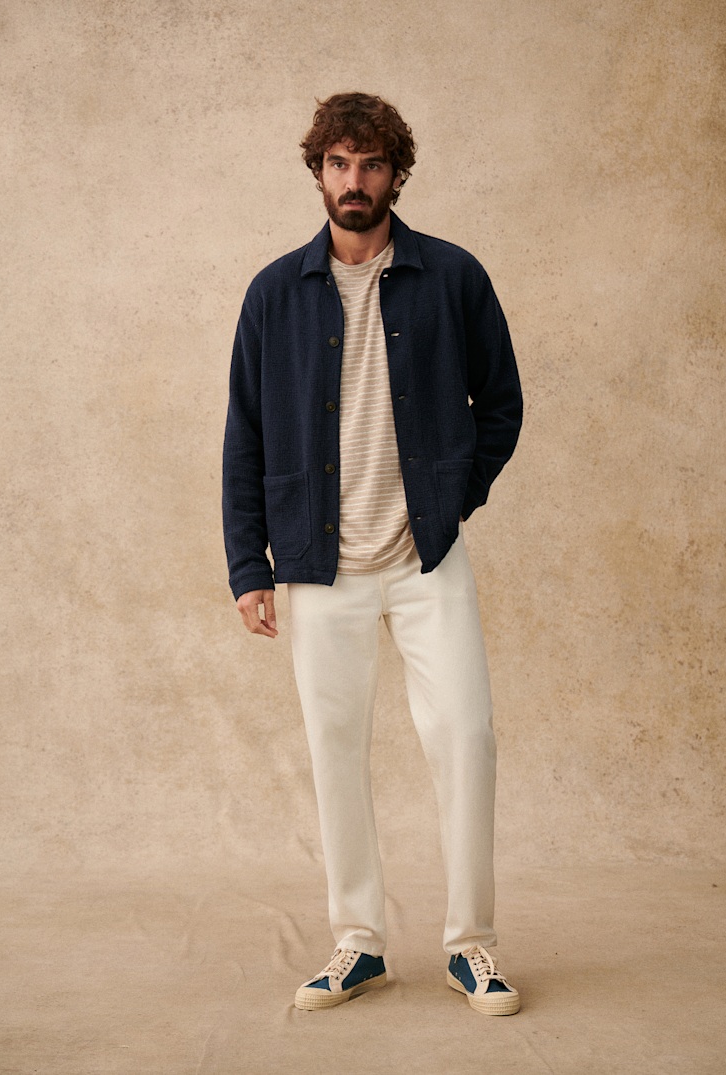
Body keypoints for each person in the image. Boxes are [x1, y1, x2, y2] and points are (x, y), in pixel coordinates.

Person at [222, 92, 523, 1016]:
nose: (355, 181)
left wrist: (450, 498)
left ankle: (470, 944)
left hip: (426, 557)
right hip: (319, 566)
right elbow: (244, 436)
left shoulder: (452, 276)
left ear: (397, 174)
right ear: (318, 171)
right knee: (334, 748)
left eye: (372, 164)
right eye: (339, 164)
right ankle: (358, 942)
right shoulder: (274, 293)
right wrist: (248, 567)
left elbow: (500, 405)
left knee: (465, 737)